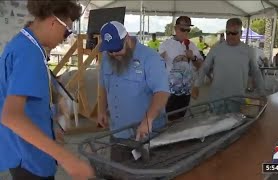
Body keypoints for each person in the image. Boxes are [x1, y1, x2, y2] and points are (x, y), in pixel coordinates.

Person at [0, 1, 94, 180]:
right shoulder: (30, 54)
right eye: (67, 31)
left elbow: (26, 102)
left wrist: (50, 129)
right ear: (53, 22)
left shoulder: (21, 43)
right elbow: (11, 116)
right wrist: (67, 158)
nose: (66, 38)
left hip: (19, 149)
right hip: (30, 158)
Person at [98, 21, 170, 159]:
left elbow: (162, 92)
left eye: (117, 49)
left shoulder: (150, 58)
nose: (114, 54)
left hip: (147, 135)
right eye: (110, 50)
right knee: (118, 171)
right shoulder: (107, 57)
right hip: (118, 133)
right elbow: (102, 84)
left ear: (127, 39)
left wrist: (148, 120)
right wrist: (101, 109)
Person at [192, 18, 264, 107]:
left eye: (234, 33)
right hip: (216, 99)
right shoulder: (216, 49)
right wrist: (196, 85)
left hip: (238, 99)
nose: (230, 36)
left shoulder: (248, 50)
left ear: (241, 33)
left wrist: (262, 93)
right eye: (228, 33)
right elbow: (205, 67)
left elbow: (256, 72)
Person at [159, 16, 203, 120]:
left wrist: (193, 57)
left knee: (181, 117)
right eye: (182, 29)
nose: (185, 33)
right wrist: (159, 59)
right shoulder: (166, 45)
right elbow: (157, 66)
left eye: (188, 30)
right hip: (170, 91)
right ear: (175, 28)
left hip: (186, 91)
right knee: (169, 118)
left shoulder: (191, 45)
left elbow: (200, 65)